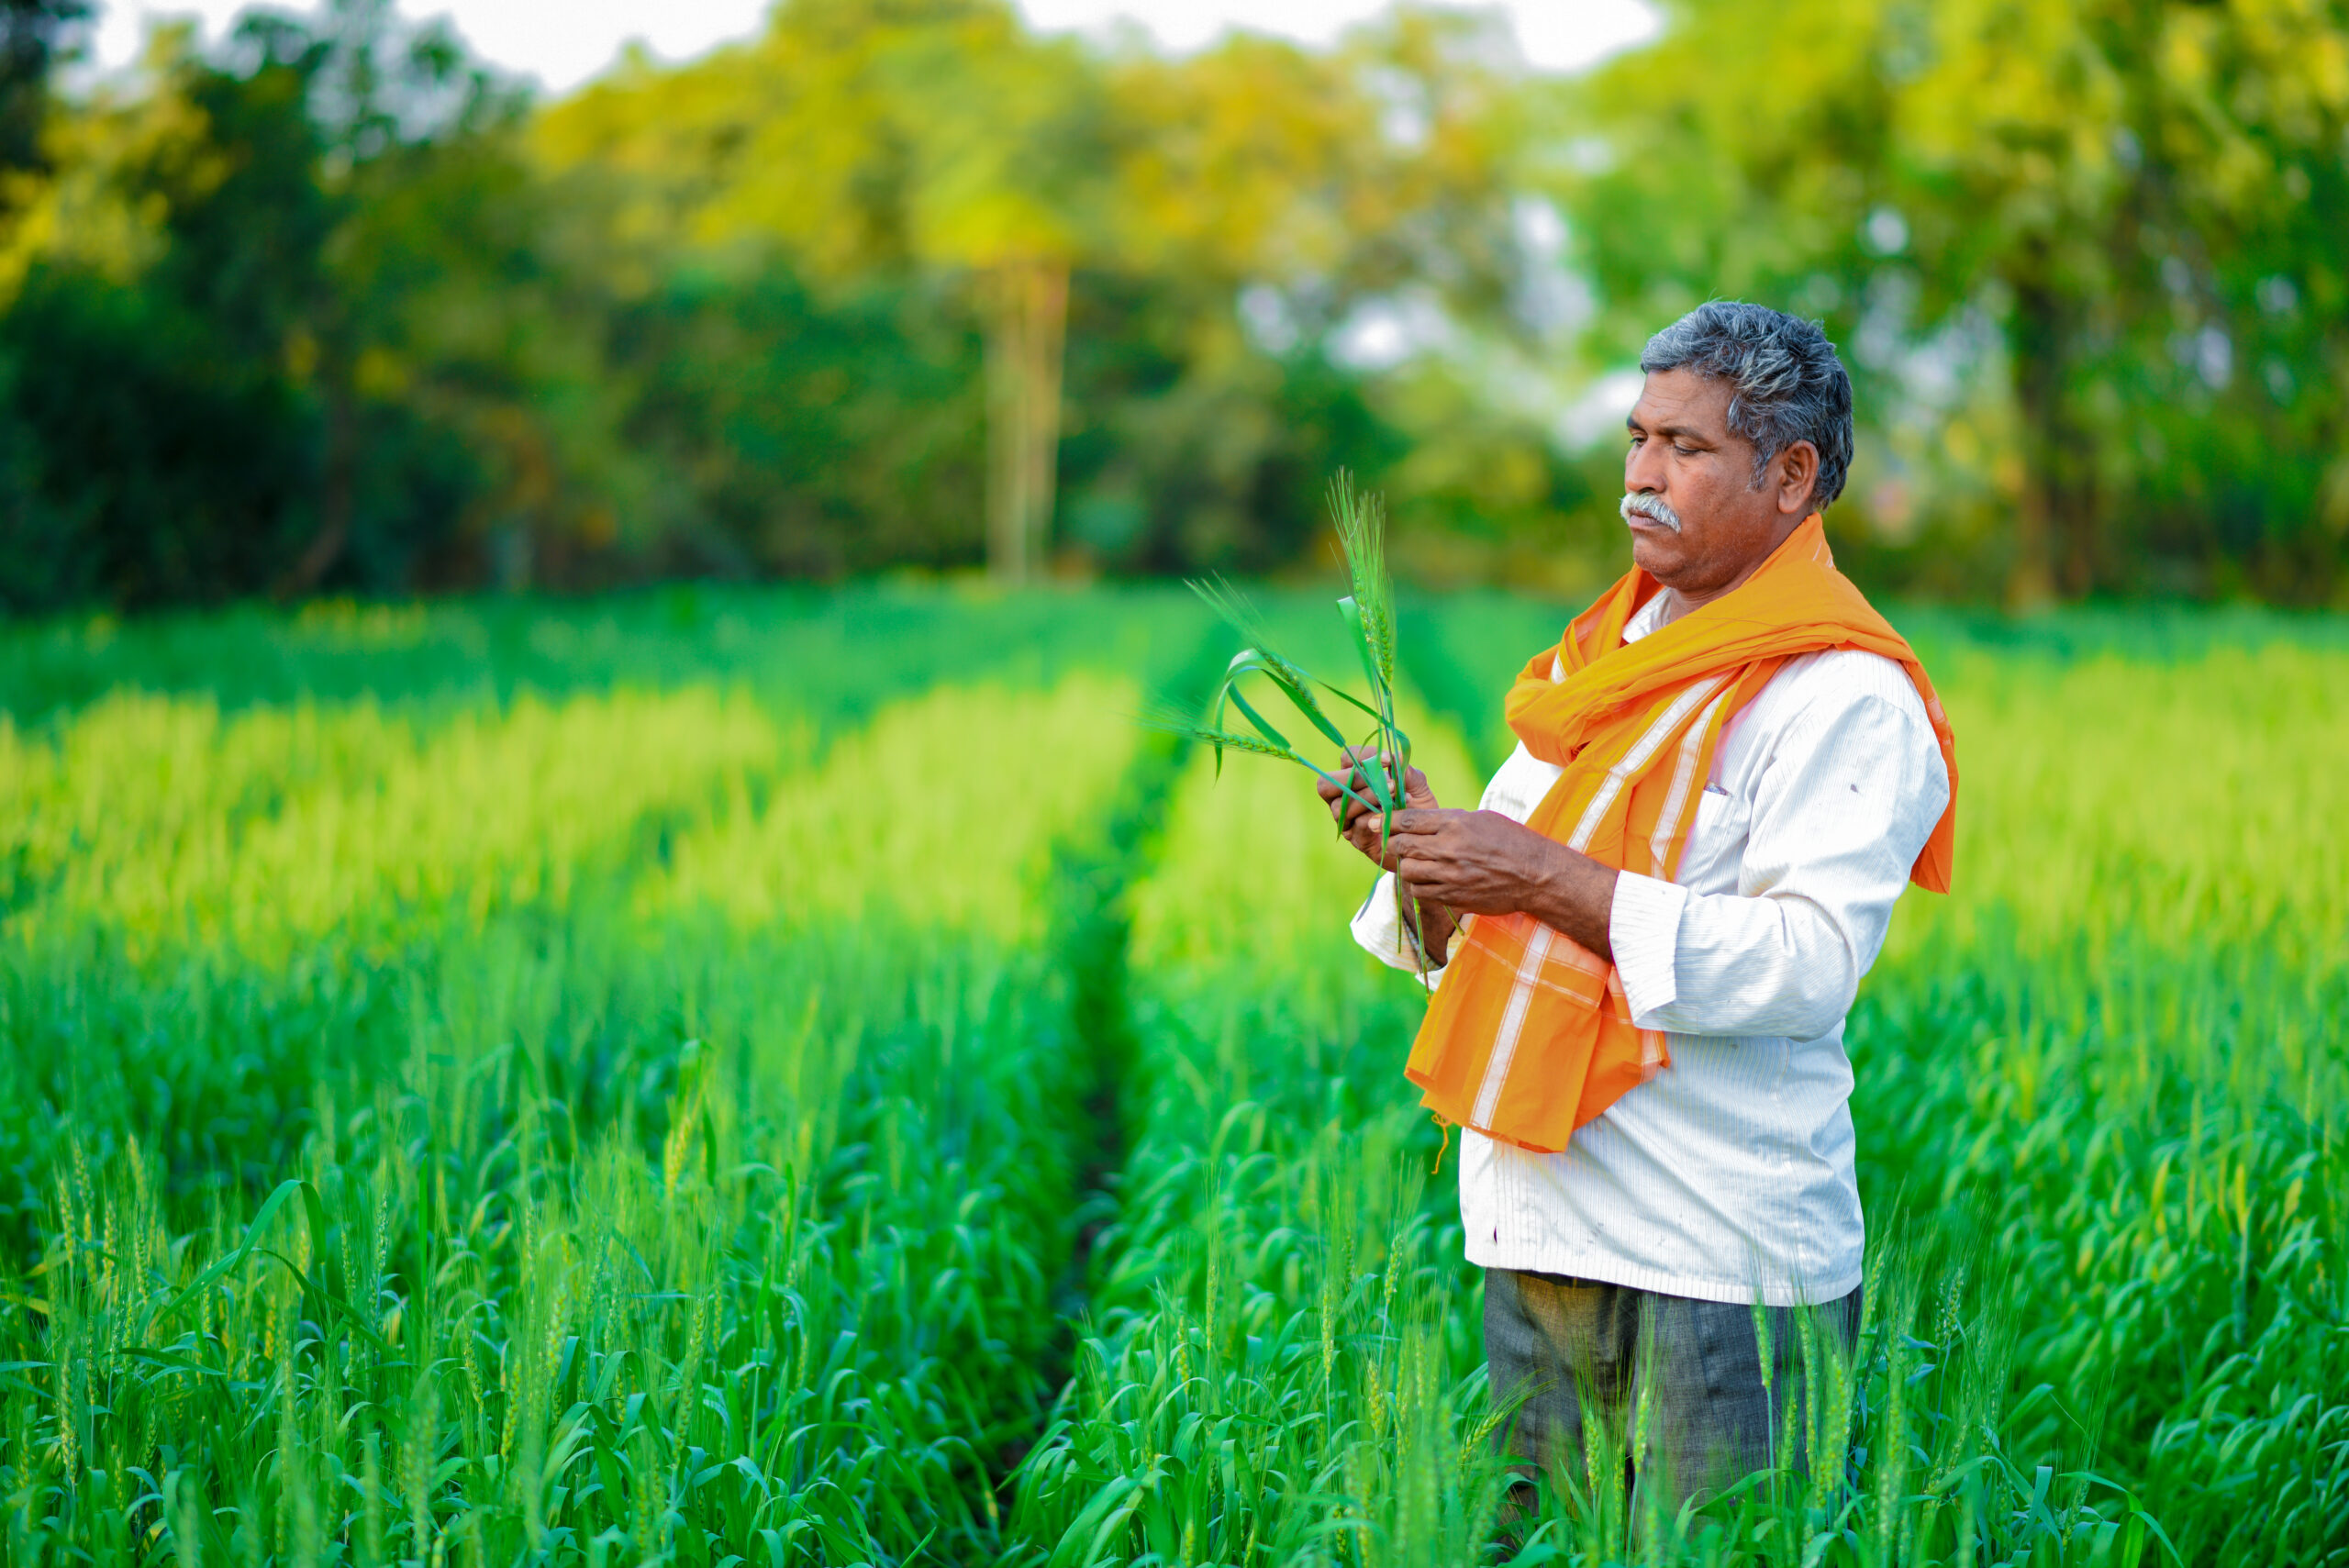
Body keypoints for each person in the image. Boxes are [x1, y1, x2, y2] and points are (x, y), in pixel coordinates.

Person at [1319, 300, 1958, 1509]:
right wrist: (1417, 854)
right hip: (1538, 1245)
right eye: (1635, 437)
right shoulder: (1601, 660)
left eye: (1685, 447)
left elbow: (1807, 963)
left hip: (1719, 1271)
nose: (1638, 476)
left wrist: (1533, 871)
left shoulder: (1842, 694)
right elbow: (1502, 919)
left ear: (1793, 474)